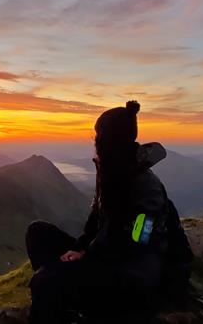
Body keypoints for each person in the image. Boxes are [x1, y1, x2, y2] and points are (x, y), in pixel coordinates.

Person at [25, 101, 192, 324]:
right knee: (37, 233)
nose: (95, 144)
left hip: (132, 276)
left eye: (99, 139)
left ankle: (65, 293)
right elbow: (96, 219)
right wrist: (79, 247)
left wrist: (88, 255)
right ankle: (69, 295)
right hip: (104, 257)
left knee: (44, 282)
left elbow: (137, 240)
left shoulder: (146, 189)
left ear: (111, 143)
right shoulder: (110, 170)